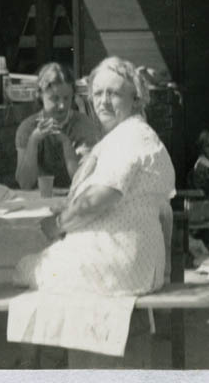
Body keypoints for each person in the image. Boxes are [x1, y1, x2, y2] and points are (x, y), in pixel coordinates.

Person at [14, 56, 176, 296]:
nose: (103, 102)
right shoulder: (128, 133)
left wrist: (58, 224)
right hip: (129, 261)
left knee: (21, 268)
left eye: (114, 94)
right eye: (98, 94)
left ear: (136, 98)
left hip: (119, 266)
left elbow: (102, 195)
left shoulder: (131, 137)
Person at [14, 62, 100, 190]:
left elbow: (84, 183)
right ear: (40, 96)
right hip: (39, 200)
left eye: (66, 98)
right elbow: (25, 184)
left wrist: (66, 143)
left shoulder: (83, 125)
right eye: (55, 98)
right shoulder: (28, 128)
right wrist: (34, 141)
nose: (62, 105)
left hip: (74, 198)